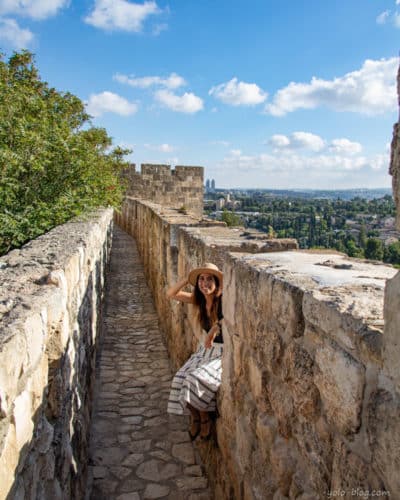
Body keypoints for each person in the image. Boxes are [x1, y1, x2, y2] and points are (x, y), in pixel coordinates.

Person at [166, 262, 224, 440]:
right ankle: (196, 417)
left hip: (221, 354)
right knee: (179, 379)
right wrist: (188, 279)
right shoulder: (197, 299)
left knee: (195, 379)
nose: (204, 283)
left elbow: (225, 320)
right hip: (205, 351)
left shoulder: (222, 301)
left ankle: (204, 418)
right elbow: (171, 294)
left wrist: (214, 330)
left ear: (216, 283)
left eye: (209, 279)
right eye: (201, 279)